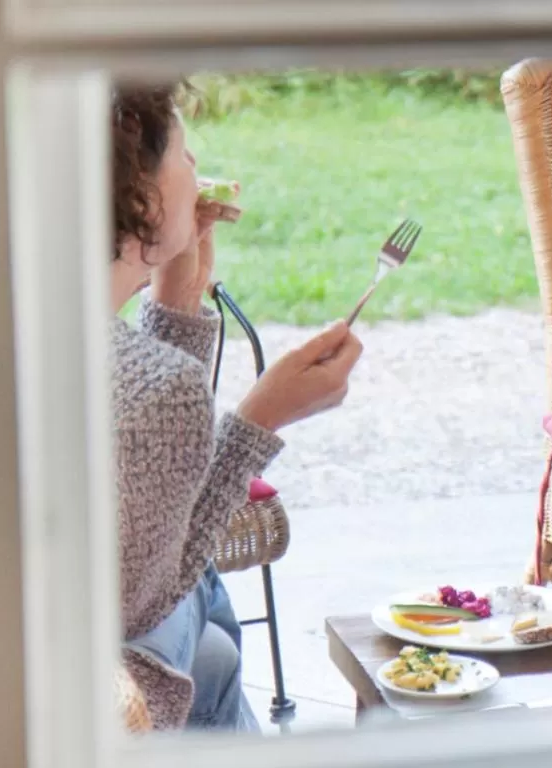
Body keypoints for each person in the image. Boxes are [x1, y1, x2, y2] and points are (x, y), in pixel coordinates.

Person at [110, 84, 362, 730]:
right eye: (184, 155)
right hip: (98, 698)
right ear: (140, 199)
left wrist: (176, 298)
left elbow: (147, 485)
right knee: (205, 614)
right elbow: (154, 589)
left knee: (216, 650)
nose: (197, 169)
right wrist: (260, 420)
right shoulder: (154, 387)